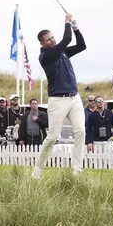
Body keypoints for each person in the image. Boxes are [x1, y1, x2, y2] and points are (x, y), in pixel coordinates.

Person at [32, 14, 86, 179]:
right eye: (48, 39)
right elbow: (66, 39)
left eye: (52, 37)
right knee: (53, 136)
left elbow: (81, 46)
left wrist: (76, 29)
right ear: (42, 43)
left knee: (80, 131)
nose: (52, 40)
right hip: (57, 100)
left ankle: (76, 170)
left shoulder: (61, 53)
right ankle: (38, 169)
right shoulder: (46, 56)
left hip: (74, 97)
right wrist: (67, 23)